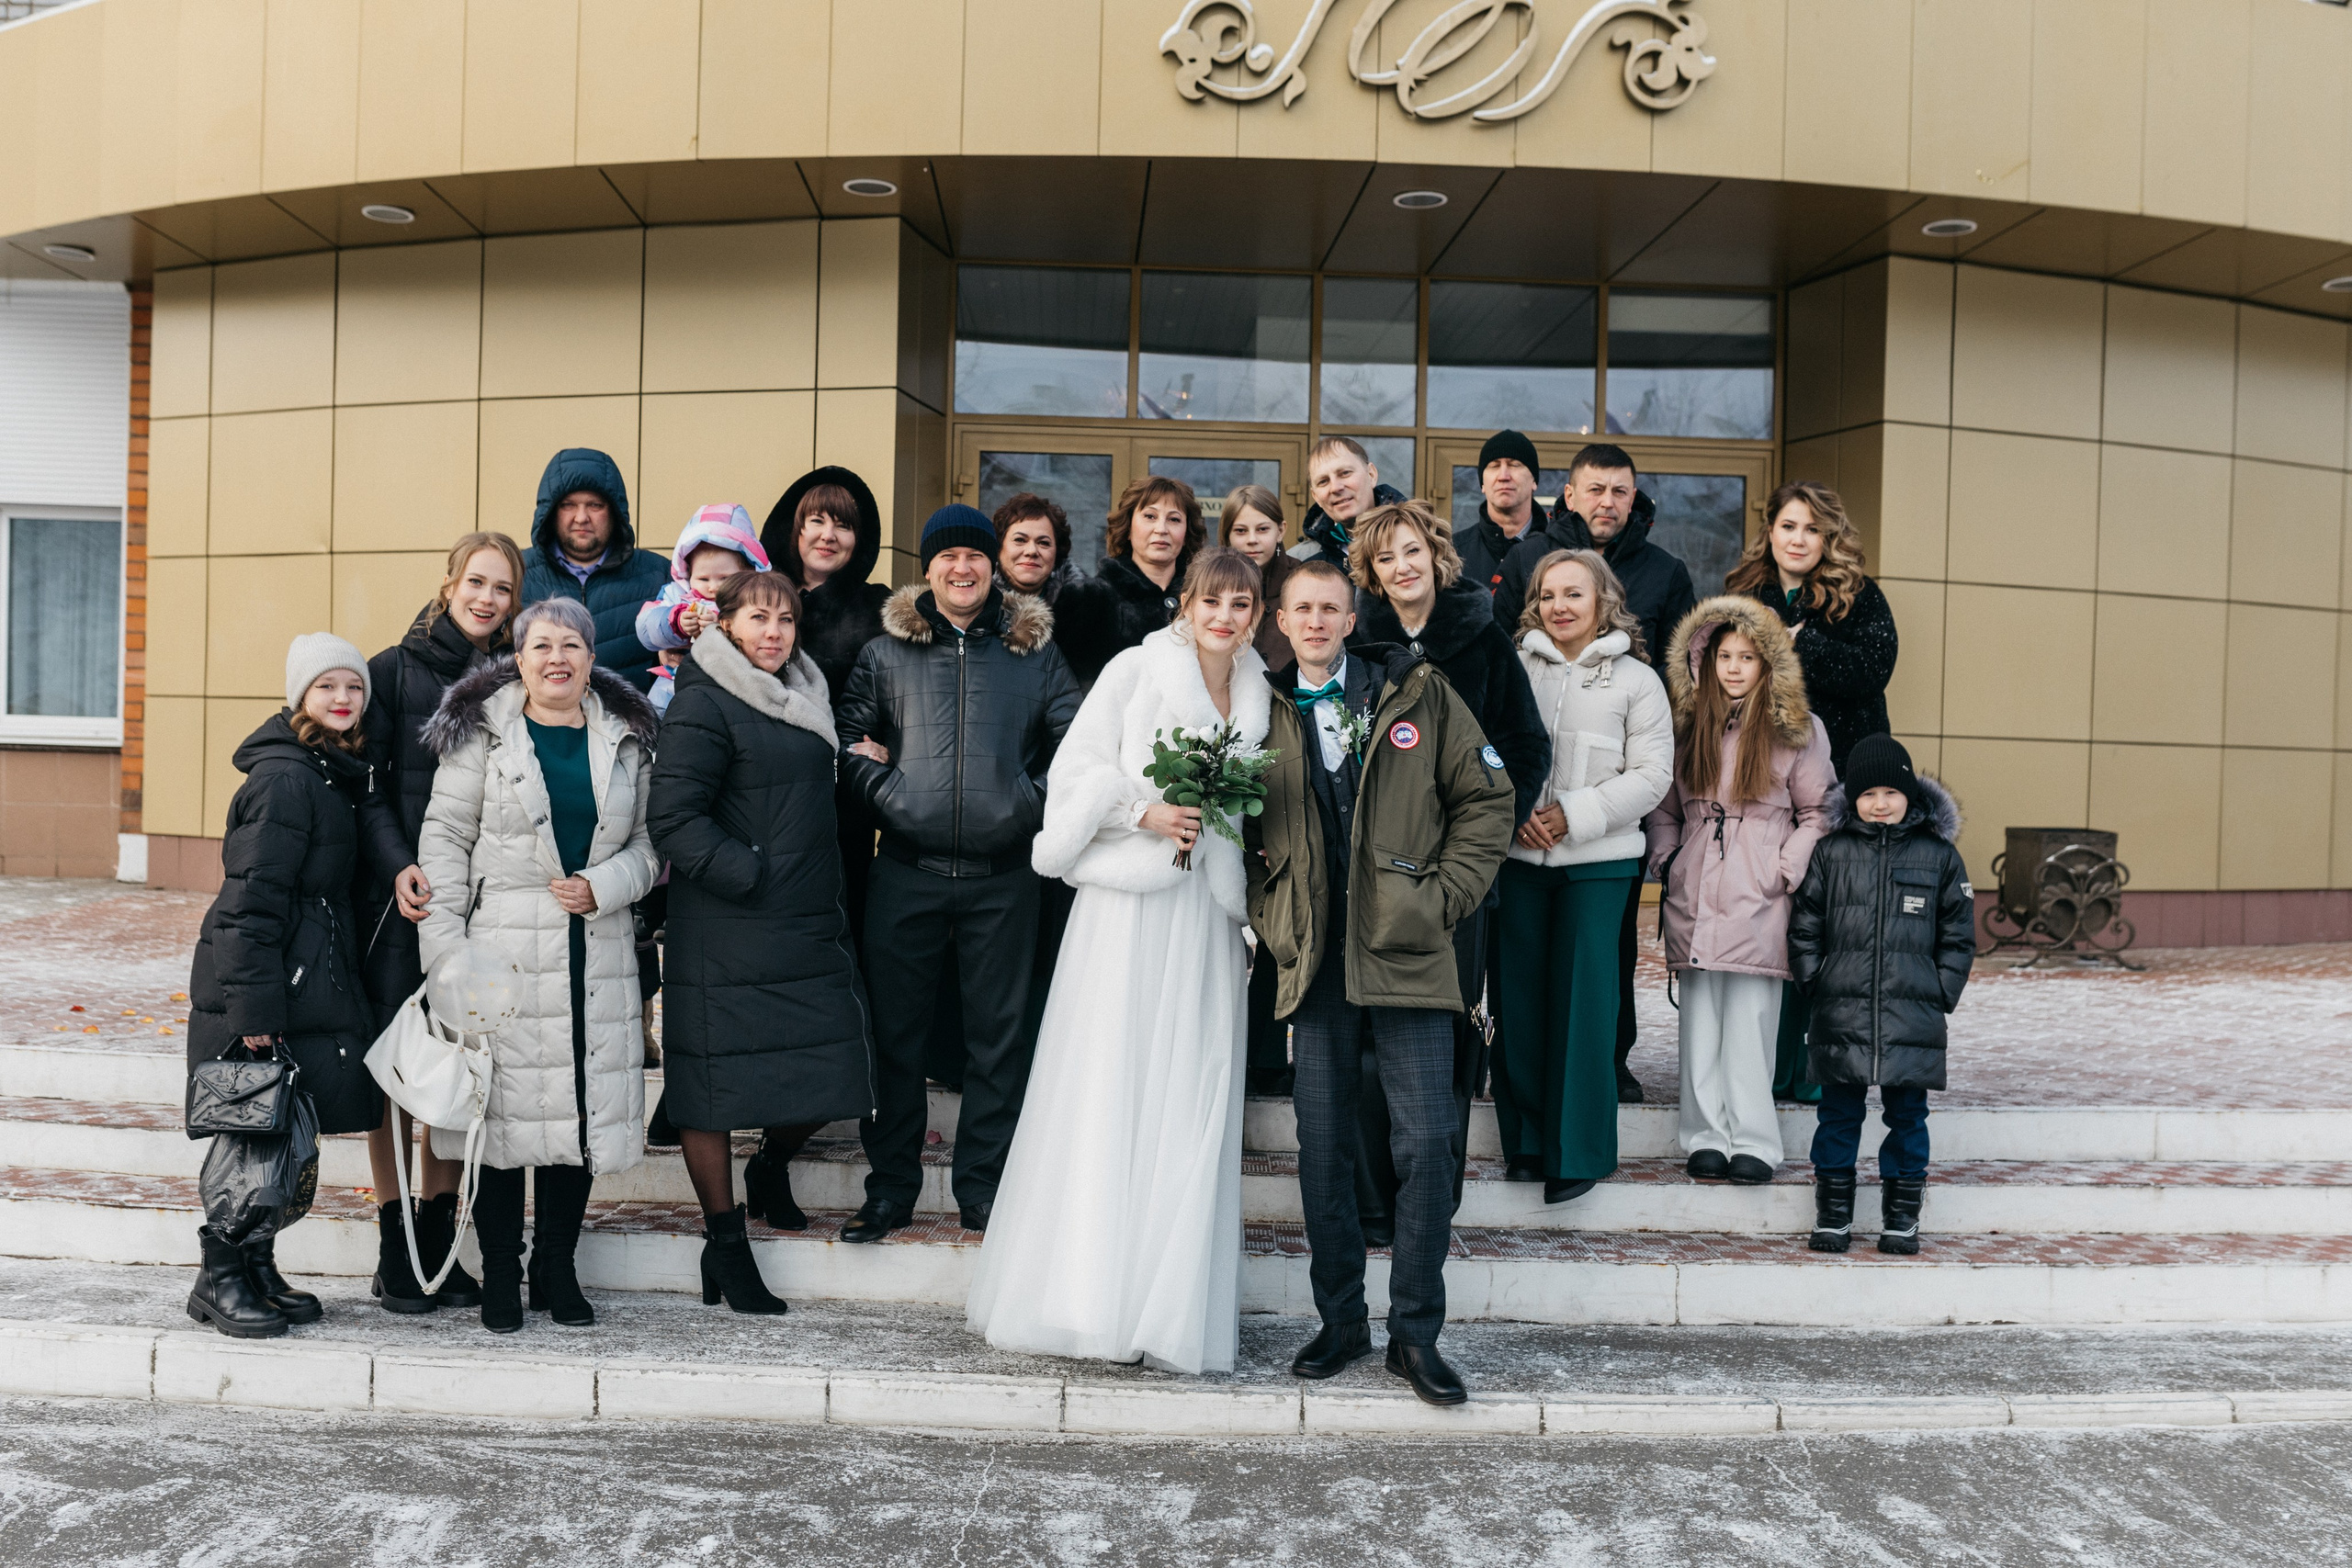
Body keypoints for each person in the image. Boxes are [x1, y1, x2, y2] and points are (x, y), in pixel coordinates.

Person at [967, 547, 1270, 1374]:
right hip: (1126, 910)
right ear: (1187, 603)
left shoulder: (1256, 693)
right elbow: (1074, 773)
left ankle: (1164, 1303)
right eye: (1213, 601)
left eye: (1242, 604)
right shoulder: (1135, 670)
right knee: (1111, 1083)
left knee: (1187, 1092)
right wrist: (1143, 809)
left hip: (1203, 915)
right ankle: (1086, 1297)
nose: (1226, 617)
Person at [1246, 558, 1513, 1405]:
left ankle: (1416, 1334)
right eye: (1302, 609)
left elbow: (1489, 797)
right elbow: (1235, 826)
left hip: (1411, 954)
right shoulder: (1259, 710)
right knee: (1323, 1149)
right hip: (1318, 960)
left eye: (1331, 607)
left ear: (1352, 614)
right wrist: (1274, 905)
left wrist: (1446, 898)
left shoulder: (1416, 693)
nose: (1317, 621)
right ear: (1280, 623)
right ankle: (1341, 1321)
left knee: (1428, 1144)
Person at [834, 505, 1081, 1238]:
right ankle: (891, 1188)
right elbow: (847, 739)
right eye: (948, 557)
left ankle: (984, 1186)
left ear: (992, 566)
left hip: (1005, 877)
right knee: (896, 1036)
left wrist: (1024, 803)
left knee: (998, 1038)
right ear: (930, 568)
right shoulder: (887, 653)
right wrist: (892, 796)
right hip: (906, 870)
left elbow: (1078, 745)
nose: (963, 568)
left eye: (976, 556)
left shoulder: (1034, 652)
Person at [418, 598, 662, 1333]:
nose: (558, 658)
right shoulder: (484, 734)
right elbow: (444, 840)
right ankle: (501, 1269)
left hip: (596, 945)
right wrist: (446, 958)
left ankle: (557, 1266)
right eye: (542, 645)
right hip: (502, 952)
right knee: (503, 1120)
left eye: (573, 645)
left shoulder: (626, 737)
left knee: (576, 1115)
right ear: (517, 658)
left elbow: (652, 847)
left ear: (592, 658)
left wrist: (605, 885)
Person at [648, 570, 875, 1313]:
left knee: (836, 1060)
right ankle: (725, 1245)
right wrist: (748, 871)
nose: (773, 631)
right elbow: (675, 819)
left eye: (785, 619)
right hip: (725, 926)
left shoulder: (806, 697)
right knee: (709, 1090)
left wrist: (863, 762)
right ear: (727, 625)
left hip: (804, 920)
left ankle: (771, 1163)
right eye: (758, 618)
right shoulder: (705, 700)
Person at [1348, 500, 1547, 1238]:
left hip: (1455, 885)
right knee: (1370, 1042)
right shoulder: (1354, 646)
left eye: (1412, 552)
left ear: (1436, 554)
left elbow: (1524, 750)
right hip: (1369, 885)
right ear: (1369, 573)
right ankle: (1375, 1203)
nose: (1402, 568)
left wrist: (1475, 848)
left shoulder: (1483, 640)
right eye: (1385, 559)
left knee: (1452, 1038)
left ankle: (1434, 1199)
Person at [185, 635, 389, 1337]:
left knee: (279, 1133)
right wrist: (253, 1008)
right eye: (327, 686)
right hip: (263, 987)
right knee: (250, 1134)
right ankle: (219, 1276)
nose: (342, 698)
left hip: (297, 981)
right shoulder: (286, 780)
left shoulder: (326, 770)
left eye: (354, 687)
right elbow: (249, 901)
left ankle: (257, 1263)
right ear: (300, 695)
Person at [1494, 444, 1698, 1106]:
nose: (1607, 500)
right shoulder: (1527, 556)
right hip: (1524, 831)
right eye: (1595, 489)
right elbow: (1499, 682)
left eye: (1620, 490)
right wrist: (1517, 802)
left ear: (1634, 498)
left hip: (1609, 816)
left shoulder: (1665, 571)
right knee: (1524, 969)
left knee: (1601, 959)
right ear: (1570, 494)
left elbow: (1678, 682)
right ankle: (1524, 1087)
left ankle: (1609, 1063)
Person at [356, 532, 525, 1315]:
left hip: (479, 907)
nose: (487, 598)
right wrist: (398, 862)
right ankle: (397, 1247)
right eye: (477, 582)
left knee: (459, 1066)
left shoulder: (517, 677)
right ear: (451, 582)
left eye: (502, 588)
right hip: (406, 902)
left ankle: (438, 1241)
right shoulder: (393, 670)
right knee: (398, 1070)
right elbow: (371, 788)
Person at [1493, 551, 1673, 1203]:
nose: (1559, 605)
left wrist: (1572, 815)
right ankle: (1529, 1140)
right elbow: (1485, 750)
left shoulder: (1637, 680)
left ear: (1604, 599)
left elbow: (1653, 775)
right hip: (1518, 859)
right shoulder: (1512, 667)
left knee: (1585, 1007)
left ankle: (1580, 1150)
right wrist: (1515, 816)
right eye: (1547, 594)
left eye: (1574, 593)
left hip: (1598, 863)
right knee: (1520, 1001)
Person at [1644, 596, 1832, 1185]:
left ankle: (1753, 1139)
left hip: (1759, 890)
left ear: (1767, 663)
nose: (1732, 667)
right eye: (1723, 655)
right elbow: (1666, 809)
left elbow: (1819, 811)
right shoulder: (1689, 729)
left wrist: (1787, 866)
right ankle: (1705, 1136)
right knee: (1701, 1018)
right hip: (1697, 887)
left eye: (1746, 657)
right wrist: (1668, 857)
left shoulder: (1795, 730)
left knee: (1751, 1020)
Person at [1725, 480, 1900, 1106]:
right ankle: (1763, 1067)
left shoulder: (1859, 596)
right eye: (1788, 526)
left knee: (1829, 926)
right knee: (1771, 922)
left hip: (1837, 785)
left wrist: (1806, 644)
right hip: (1760, 785)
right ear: (1770, 530)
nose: (1798, 539)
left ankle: (1815, 1067)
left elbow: (1872, 671)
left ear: (1829, 539)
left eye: (1811, 529)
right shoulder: (1743, 592)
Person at [1790, 735, 1973, 1257]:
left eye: (1891, 792)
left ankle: (1901, 1217)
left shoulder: (1939, 857)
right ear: (1852, 799)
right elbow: (1805, 924)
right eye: (1868, 793)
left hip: (1911, 1013)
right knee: (1838, 1115)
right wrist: (1814, 979)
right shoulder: (1833, 852)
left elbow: (1959, 934)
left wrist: (1940, 990)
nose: (1879, 803)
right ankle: (1833, 1214)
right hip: (1840, 1009)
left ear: (1911, 796)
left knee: (1908, 1117)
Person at [760, 466, 891, 948]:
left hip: (845, 803)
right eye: (816, 521)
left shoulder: (881, 609)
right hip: (768, 795)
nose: (828, 536)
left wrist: (889, 747)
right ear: (795, 530)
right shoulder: (758, 600)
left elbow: (901, 695)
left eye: (843, 524)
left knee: (844, 927)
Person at [1221, 481, 1296, 1096]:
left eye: (1262, 529)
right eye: (1242, 531)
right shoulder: (1221, 590)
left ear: (1280, 530)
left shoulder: (1299, 584)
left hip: (1283, 767)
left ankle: (1270, 1054)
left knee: (1275, 913)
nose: (1253, 541)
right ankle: (1224, 1047)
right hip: (1227, 768)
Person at [519, 448, 669, 691]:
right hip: (536, 726)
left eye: (595, 505)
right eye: (568, 505)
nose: (581, 517)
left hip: (631, 726)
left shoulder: (659, 575)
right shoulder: (518, 573)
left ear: (615, 511)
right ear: (550, 512)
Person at [1051, 475, 1206, 685]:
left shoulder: (1205, 600)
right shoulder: (1087, 599)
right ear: (1128, 528)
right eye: (1150, 516)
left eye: (1174, 519)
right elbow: (1063, 690)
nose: (1161, 529)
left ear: (1187, 533)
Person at [633, 502, 772, 716]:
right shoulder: (676, 595)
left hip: (731, 688)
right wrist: (675, 623)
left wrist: (721, 631)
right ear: (688, 572)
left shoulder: (754, 601)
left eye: (724, 578)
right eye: (703, 578)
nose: (713, 586)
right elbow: (645, 627)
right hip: (672, 682)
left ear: (747, 571)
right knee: (655, 720)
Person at [1454, 430, 1548, 599]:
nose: (1504, 476)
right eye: (1494, 466)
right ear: (1483, 484)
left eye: (1514, 465)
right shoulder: (1454, 553)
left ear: (1534, 481)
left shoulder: (1559, 549)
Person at [1296, 435, 1404, 570]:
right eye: (1323, 481)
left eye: (1345, 473)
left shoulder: (1425, 541)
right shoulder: (1301, 563)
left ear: (1371, 475)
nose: (1335, 487)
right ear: (1316, 496)